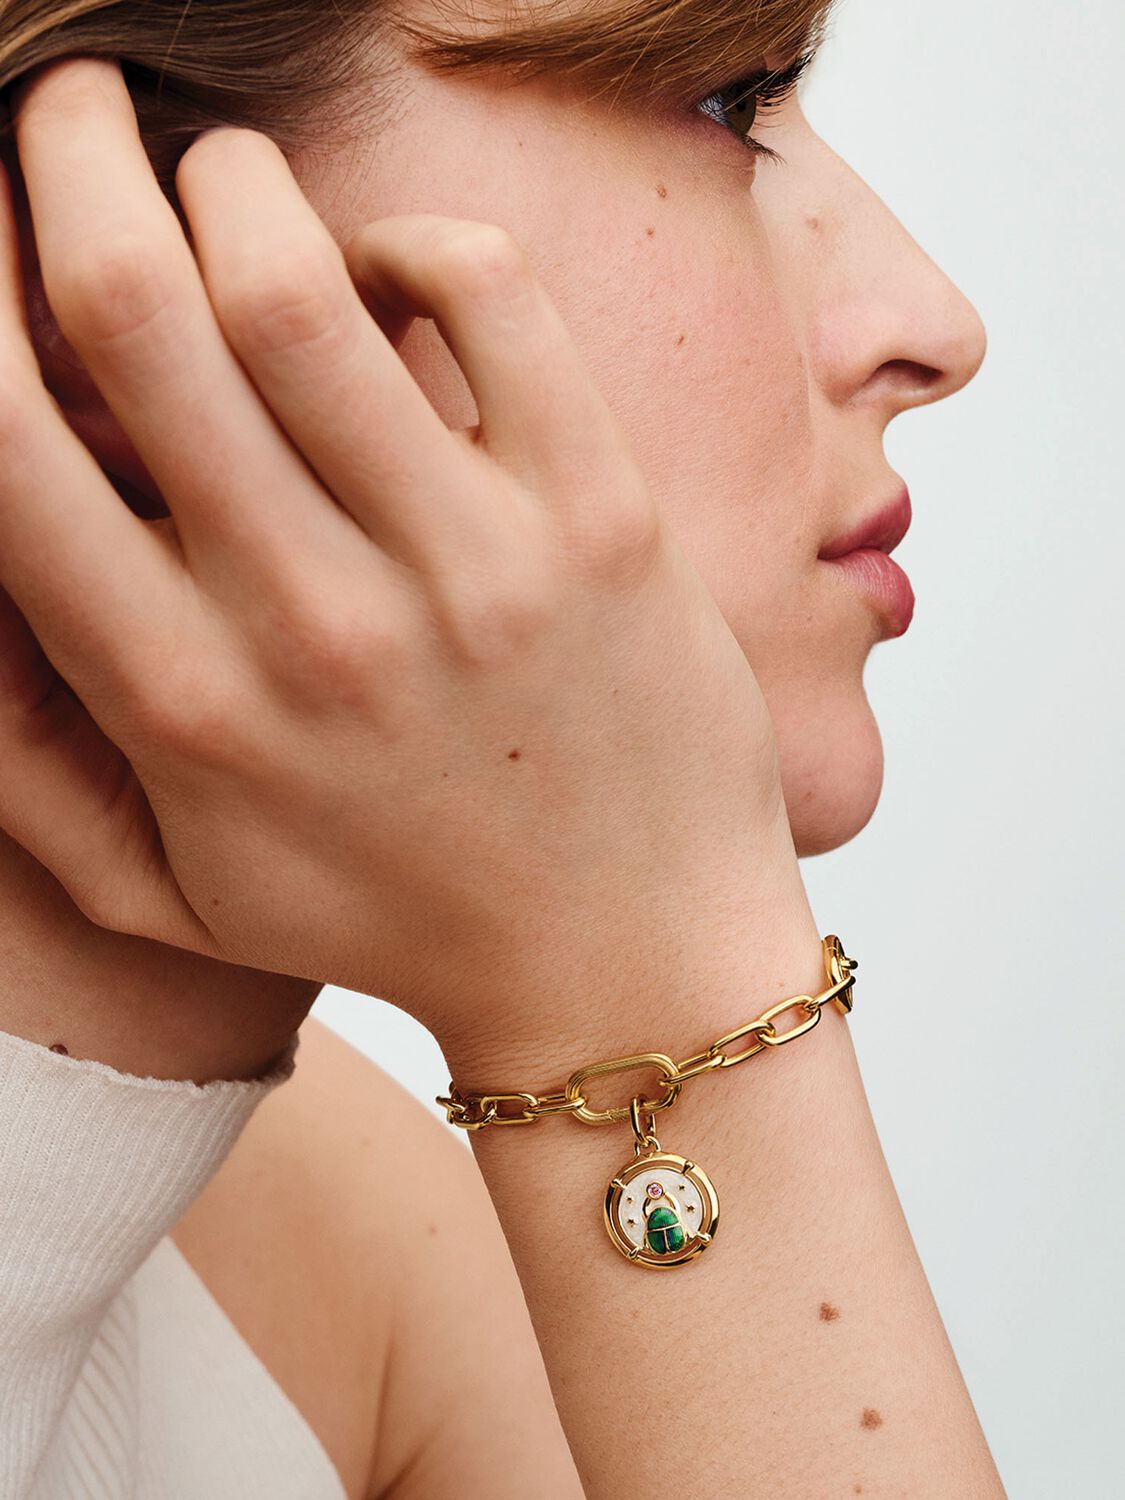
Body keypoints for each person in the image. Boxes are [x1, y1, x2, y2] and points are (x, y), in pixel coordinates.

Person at [0, 0, 1004, 1492]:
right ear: (73, 244)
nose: (935, 325)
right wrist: (645, 974)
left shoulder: (352, 1271)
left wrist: (628, 967)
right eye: (728, 103)